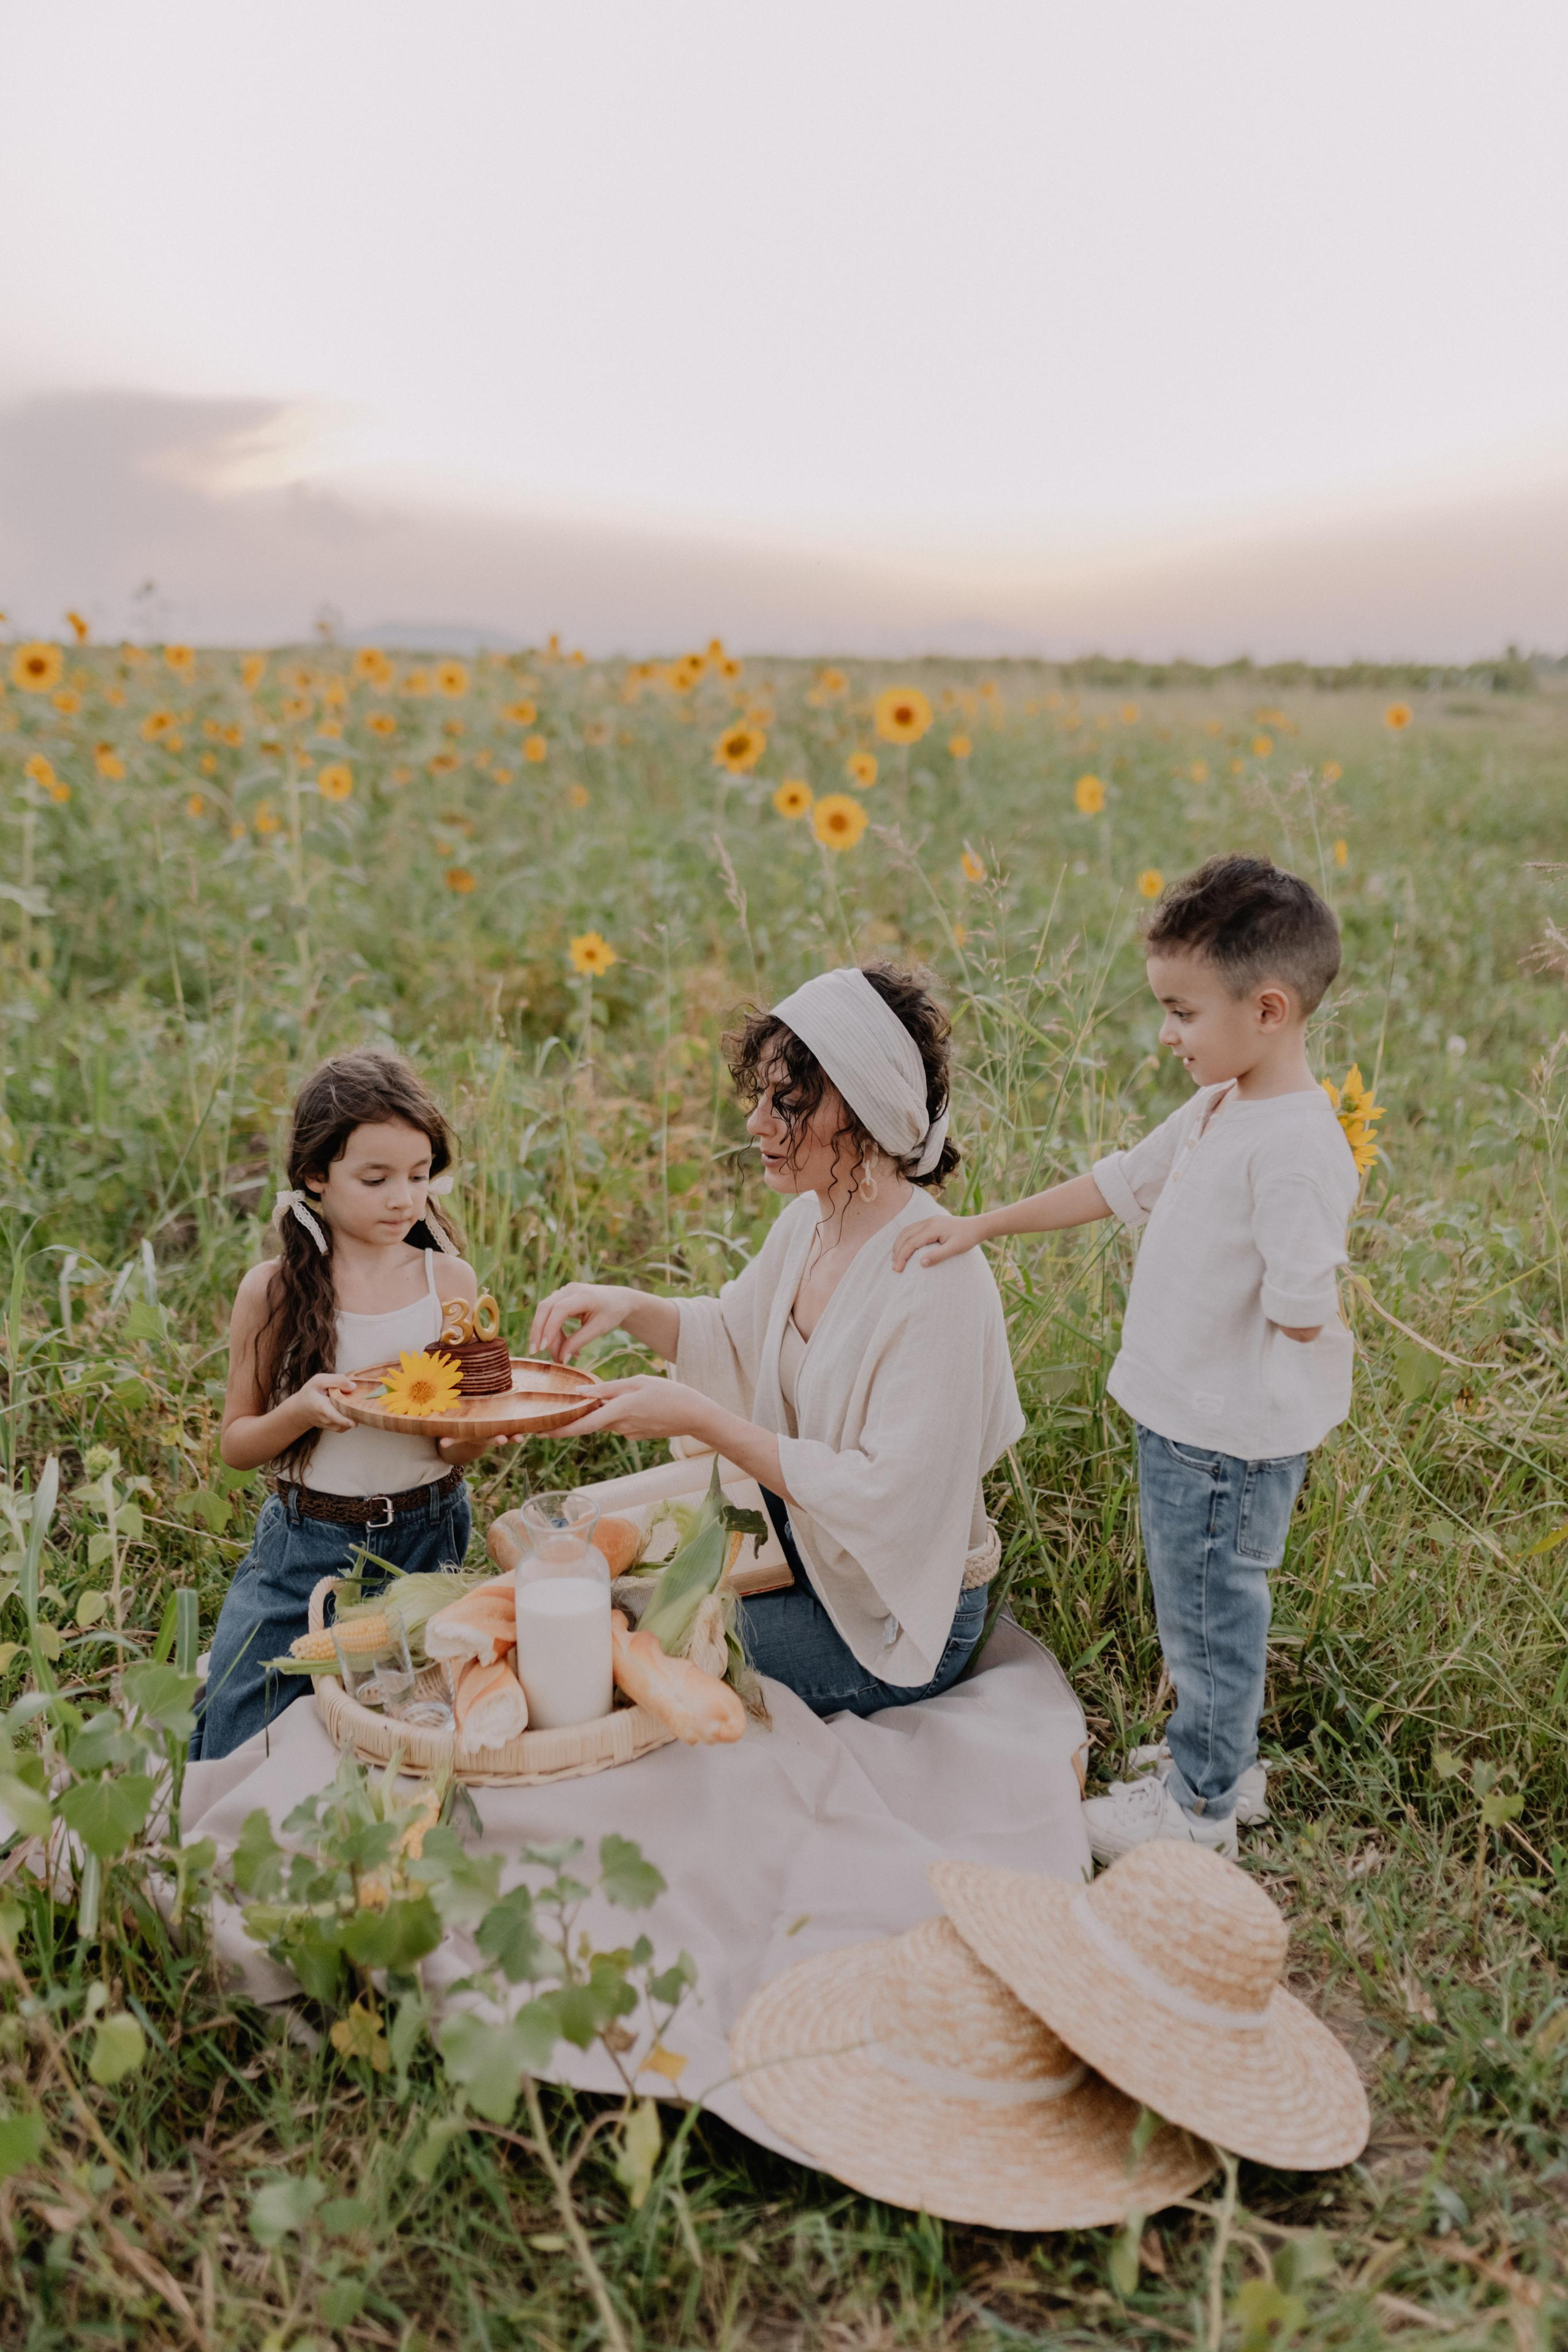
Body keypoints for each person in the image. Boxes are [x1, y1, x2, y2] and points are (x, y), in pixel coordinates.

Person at [893, 856, 1359, 1858]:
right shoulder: (1219, 1108)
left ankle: (1198, 1810)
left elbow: (1307, 1294)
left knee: (1210, 1615)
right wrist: (981, 1227)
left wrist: (1306, 1320)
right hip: (1186, 1422)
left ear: (1269, 1008)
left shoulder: (1293, 1146)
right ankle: (1215, 1759)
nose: (1167, 1034)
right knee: (1194, 1602)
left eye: (1183, 1012)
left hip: (1225, 1439)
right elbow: (1117, 1184)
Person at [531, 963, 1023, 1719]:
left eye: (786, 1103)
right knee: (567, 1587)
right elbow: (731, 1335)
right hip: (805, 1547)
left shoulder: (935, 1277)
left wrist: (697, 1419)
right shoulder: (812, 1220)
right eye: (759, 1096)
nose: (756, 1123)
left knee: (612, 1644)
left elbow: (883, 1495)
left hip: (892, 1621)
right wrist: (626, 1305)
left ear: (861, 1118)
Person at [192, 1049, 495, 1760]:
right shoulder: (272, 1290)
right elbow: (237, 1446)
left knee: (408, 1731)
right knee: (233, 1742)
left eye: (420, 1177)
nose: (403, 1200)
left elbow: (460, 1439)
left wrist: (483, 1432)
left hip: (427, 1533)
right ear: (315, 1175)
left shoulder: (448, 1279)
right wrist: (300, 1409)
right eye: (376, 1178)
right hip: (307, 1542)